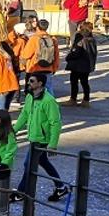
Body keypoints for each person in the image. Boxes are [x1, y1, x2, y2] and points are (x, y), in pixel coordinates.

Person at [11, 73, 67, 203]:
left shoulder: (48, 100)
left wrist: (52, 144)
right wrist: (14, 130)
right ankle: (60, 187)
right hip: (34, 137)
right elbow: (24, 114)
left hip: (42, 139)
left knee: (28, 164)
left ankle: (21, 192)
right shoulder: (30, 96)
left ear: (40, 83)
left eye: (31, 81)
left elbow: (56, 123)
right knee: (43, 162)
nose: (29, 83)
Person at [64, 22, 98, 106]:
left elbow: (76, 52)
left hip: (77, 65)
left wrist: (68, 57)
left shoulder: (80, 38)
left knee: (74, 82)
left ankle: (73, 99)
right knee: (85, 82)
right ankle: (86, 100)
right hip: (87, 65)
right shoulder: (92, 40)